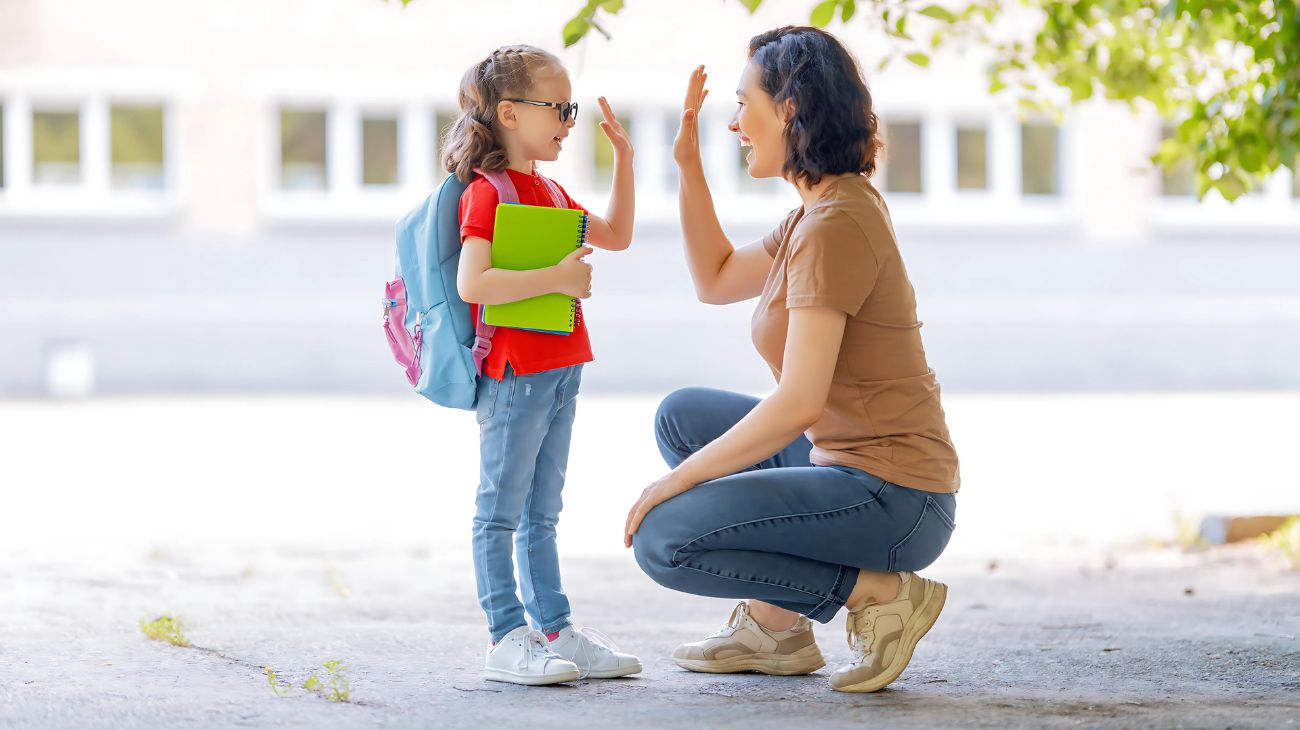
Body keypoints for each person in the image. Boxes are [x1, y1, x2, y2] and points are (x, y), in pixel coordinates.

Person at [626, 27, 960, 693]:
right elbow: (717, 278)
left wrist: (676, 483)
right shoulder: (817, 211)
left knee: (666, 539)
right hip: (842, 468)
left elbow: (799, 401)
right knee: (682, 417)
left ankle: (878, 592)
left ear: (790, 108)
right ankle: (776, 631)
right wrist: (688, 169)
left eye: (744, 102)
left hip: (895, 499)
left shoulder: (835, 225)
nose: (733, 122)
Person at [443, 44, 641, 686]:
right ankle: (506, 635)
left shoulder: (551, 190)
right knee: (500, 508)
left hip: (561, 365)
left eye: (569, 107)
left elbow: (616, 234)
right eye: (557, 107)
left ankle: (554, 629)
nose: (567, 120)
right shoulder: (487, 193)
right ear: (508, 113)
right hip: (514, 371)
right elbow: (475, 284)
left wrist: (626, 162)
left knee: (543, 511)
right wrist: (556, 275)